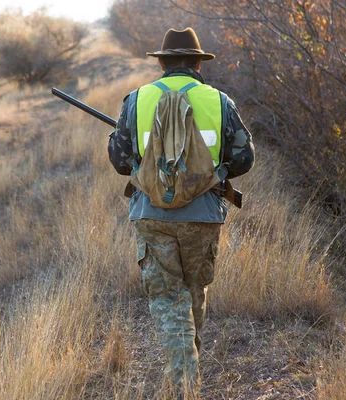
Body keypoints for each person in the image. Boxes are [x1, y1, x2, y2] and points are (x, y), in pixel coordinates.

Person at [107, 27, 255, 392]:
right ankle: (187, 376)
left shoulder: (137, 100)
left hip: (151, 216)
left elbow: (119, 160)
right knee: (194, 292)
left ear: (161, 63)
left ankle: (184, 382)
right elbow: (244, 158)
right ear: (198, 65)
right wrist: (212, 172)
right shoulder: (219, 101)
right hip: (203, 215)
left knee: (169, 300)